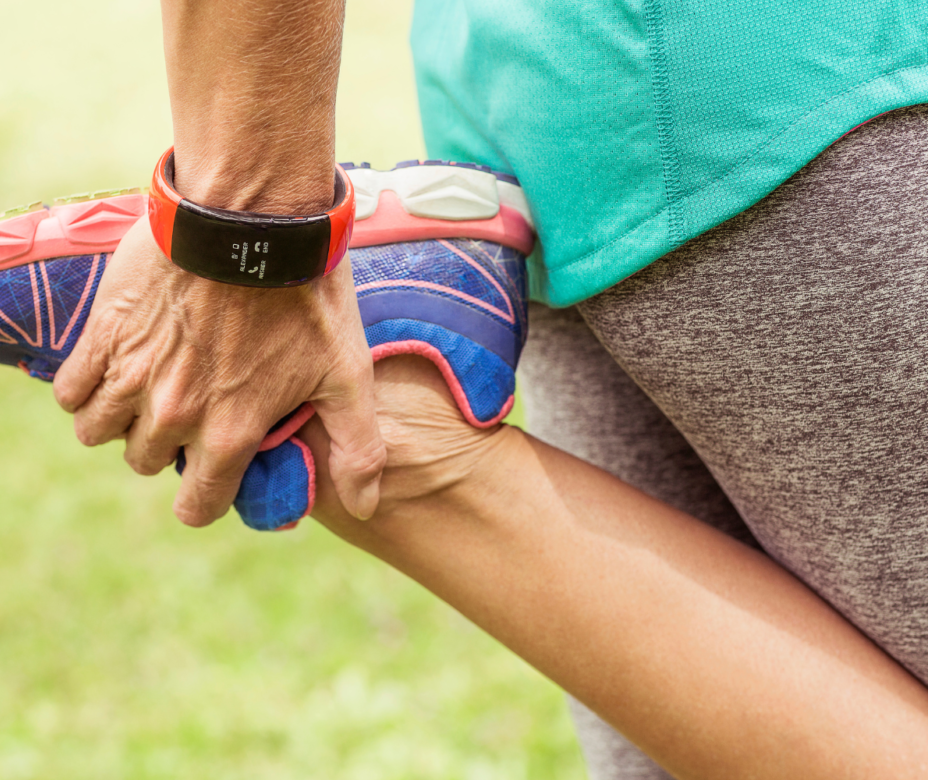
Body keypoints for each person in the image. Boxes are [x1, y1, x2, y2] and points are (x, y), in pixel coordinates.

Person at [47, 0, 928, 775]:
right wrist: (252, 227)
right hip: (817, 66)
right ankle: (414, 455)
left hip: (543, 94)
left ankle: (410, 442)